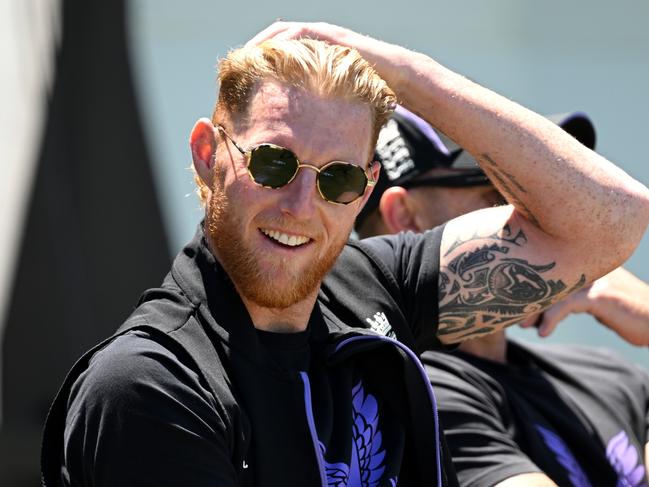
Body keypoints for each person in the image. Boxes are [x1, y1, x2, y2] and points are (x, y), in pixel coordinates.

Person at [40, 22, 649, 486]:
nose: (302, 204)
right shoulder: (150, 385)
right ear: (208, 154)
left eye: (337, 180)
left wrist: (410, 76)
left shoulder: (372, 290)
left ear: (366, 186)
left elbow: (612, 220)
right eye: (274, 163)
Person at [358, 104, 649, 486]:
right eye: (503, 195)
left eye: (547, 198)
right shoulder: (413, 390)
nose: (551, 221)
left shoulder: (609, 374)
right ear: (405, 218)